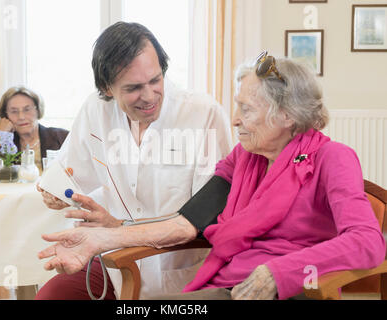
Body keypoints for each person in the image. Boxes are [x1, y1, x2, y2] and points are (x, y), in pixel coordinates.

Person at [37, 52, 386, 300]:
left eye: (246, 110)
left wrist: (281, 272)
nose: (234, 120)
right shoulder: (244, 158)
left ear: (286, 116)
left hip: (291, 288)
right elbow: (190, 220)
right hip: (228, 285)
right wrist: (102, 238)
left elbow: (368, 242)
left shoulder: (333, 158)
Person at [35, 22, 233, 299]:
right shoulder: (95, 110)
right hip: (114, 259)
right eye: (133, 88)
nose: (150, 97)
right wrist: (55, 192)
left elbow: (205, 218)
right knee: (52, 295)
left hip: (178, 264)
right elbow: (69, 176)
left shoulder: (203, 114)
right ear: (107, 88)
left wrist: (120, 228)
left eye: (155, 80)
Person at [0, 86, 69, 173]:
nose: (21, 117)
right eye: (14, 111)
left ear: (38, 110)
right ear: (6, 116)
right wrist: (0, 133)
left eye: (27, 110)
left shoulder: (61, 137)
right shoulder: (8, 144)